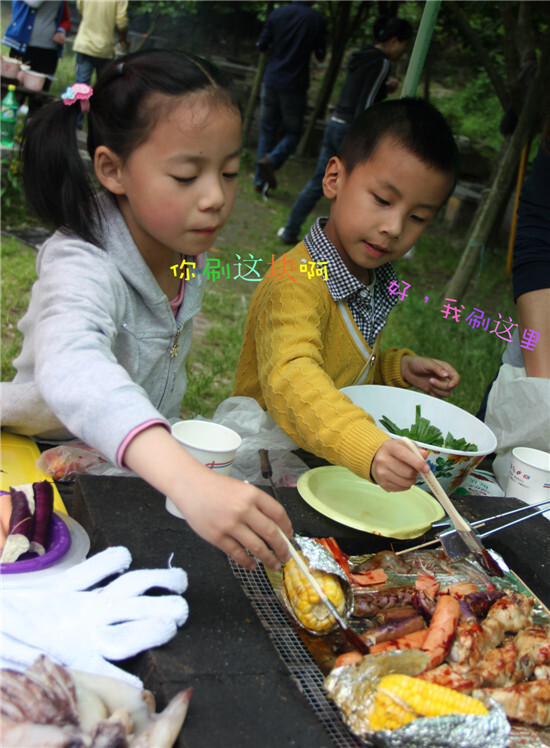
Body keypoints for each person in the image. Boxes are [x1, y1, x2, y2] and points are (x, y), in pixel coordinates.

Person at [0, 50, 292, 573]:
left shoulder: (184, 252)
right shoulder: (81, 261)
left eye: (229, 172)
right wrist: (188, 479)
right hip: (41, 470)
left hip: (133, 468)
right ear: (113, 169)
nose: (215, 197)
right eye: (186, 175)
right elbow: (74, 365)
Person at [233, 98, 461, 493]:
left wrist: (396, 370)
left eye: (417, 217)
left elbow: (341, 368)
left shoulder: (370, 276)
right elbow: (293, 378)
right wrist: (368, 447)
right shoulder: (296, 282)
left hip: (322, 464)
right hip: (267, 471)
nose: (394, 227)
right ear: (334, 178)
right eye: (383, 200)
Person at [278, 15, 413, 246]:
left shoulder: (361, 56)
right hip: (351, 130)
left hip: (335, 123)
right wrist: (368, 137)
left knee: (320, 181)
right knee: (353, 190)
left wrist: (383, 90)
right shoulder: (381, 63)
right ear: (393, 41)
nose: (403, 52)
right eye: (404, 45)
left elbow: (360, 92)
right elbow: (366, 104)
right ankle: (341, 243)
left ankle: (290, 231)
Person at [253, 0, 326, 195]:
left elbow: (262, 46)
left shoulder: (277, 14)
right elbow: (320, 55)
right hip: (295, 85)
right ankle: (272, 160)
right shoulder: (316, 19)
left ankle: (259, 181)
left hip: (271, 80)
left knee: (267, 130)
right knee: (293, 133)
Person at [2, 0, 71, 115]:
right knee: (14, 91)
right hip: (22, 47)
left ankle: (32, 123)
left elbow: (65, 18)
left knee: (39, 98)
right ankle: (8, 122)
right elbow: (34, 3)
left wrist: (61, 31)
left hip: (48, 50)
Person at [73, 0, 130, 88]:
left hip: (84, 44)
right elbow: (122, 22)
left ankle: (81, 97)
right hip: (106, 48)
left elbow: (80, 8)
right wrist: (123, 38)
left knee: (81, 86)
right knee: (103, 86)